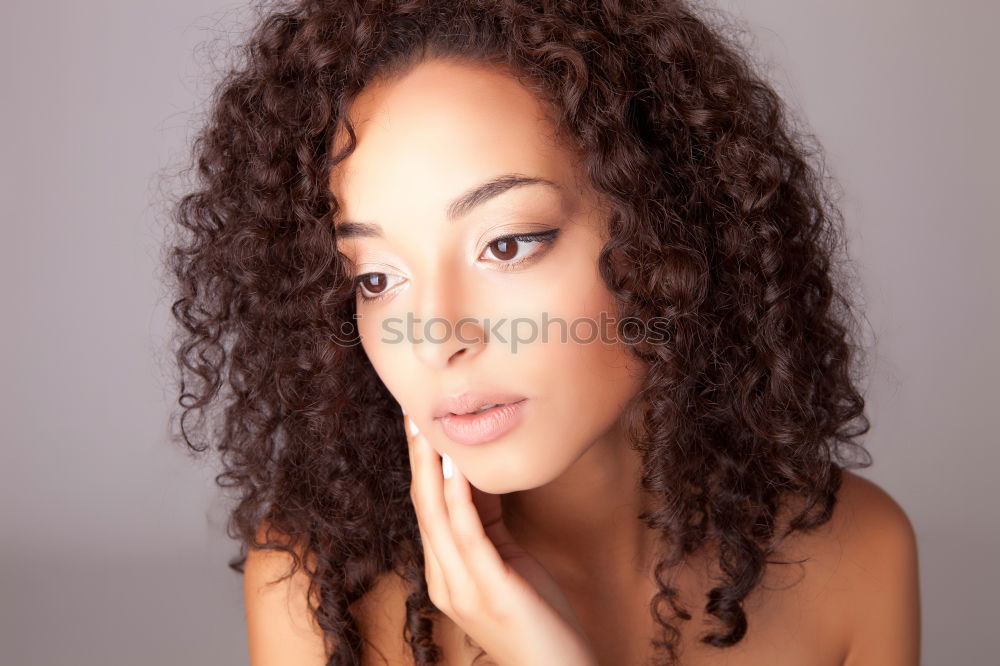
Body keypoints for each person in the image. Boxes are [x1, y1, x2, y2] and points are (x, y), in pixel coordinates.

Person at [165, 1, 920, 664]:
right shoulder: (316, 587)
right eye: (375, 278)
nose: (436, 339)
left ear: (670, 228)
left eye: (507, 244)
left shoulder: (855, 557)